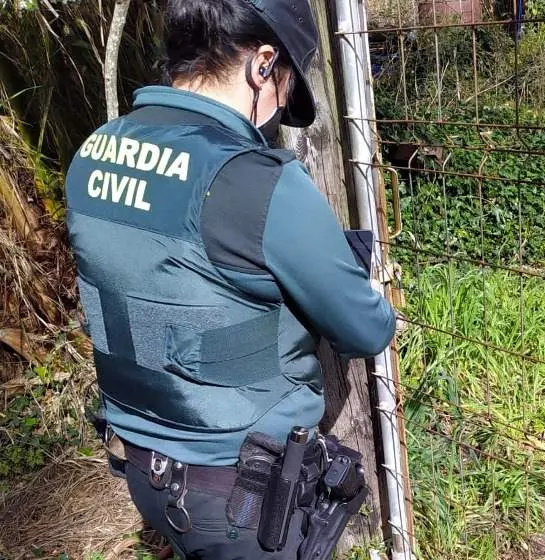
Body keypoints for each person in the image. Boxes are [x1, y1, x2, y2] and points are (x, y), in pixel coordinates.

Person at [63, 0, 396, 557]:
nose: (274, 116)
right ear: (262, 64)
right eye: (284, 88)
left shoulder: (95, 153)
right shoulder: (258, 184)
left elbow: (171, 280)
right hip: (243, 495)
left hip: (143, 469)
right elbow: (367, 331)